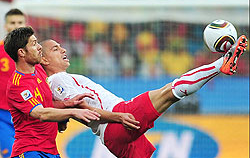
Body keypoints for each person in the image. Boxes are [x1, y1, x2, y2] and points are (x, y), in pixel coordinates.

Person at [41, 34, 247, 158]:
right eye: (56, 49)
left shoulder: (59, 81)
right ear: (44, 59)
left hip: (112, 137)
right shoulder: (58, 80)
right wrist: (119, 117)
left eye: (61, 46)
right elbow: (80, 108)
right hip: (116, 119)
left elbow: (67, 109)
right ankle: (220, 64)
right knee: (170, 92)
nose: (63, 49)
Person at [3, 26, 107, 158]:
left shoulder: (39, 70)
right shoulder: (18, 85)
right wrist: (74, 111)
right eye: (34, 44)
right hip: (30, 151)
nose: (39, 47)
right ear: (22, 52)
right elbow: (41, 113)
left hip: (51, 150)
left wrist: (68, 104)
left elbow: (47, 104)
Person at [0, 8, 26, 158]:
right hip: (2, 114)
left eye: (20, 22)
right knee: (10, 154)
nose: (16, 26)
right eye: (12, 22)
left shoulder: (33, 52)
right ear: (6, 26)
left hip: (26, 114)